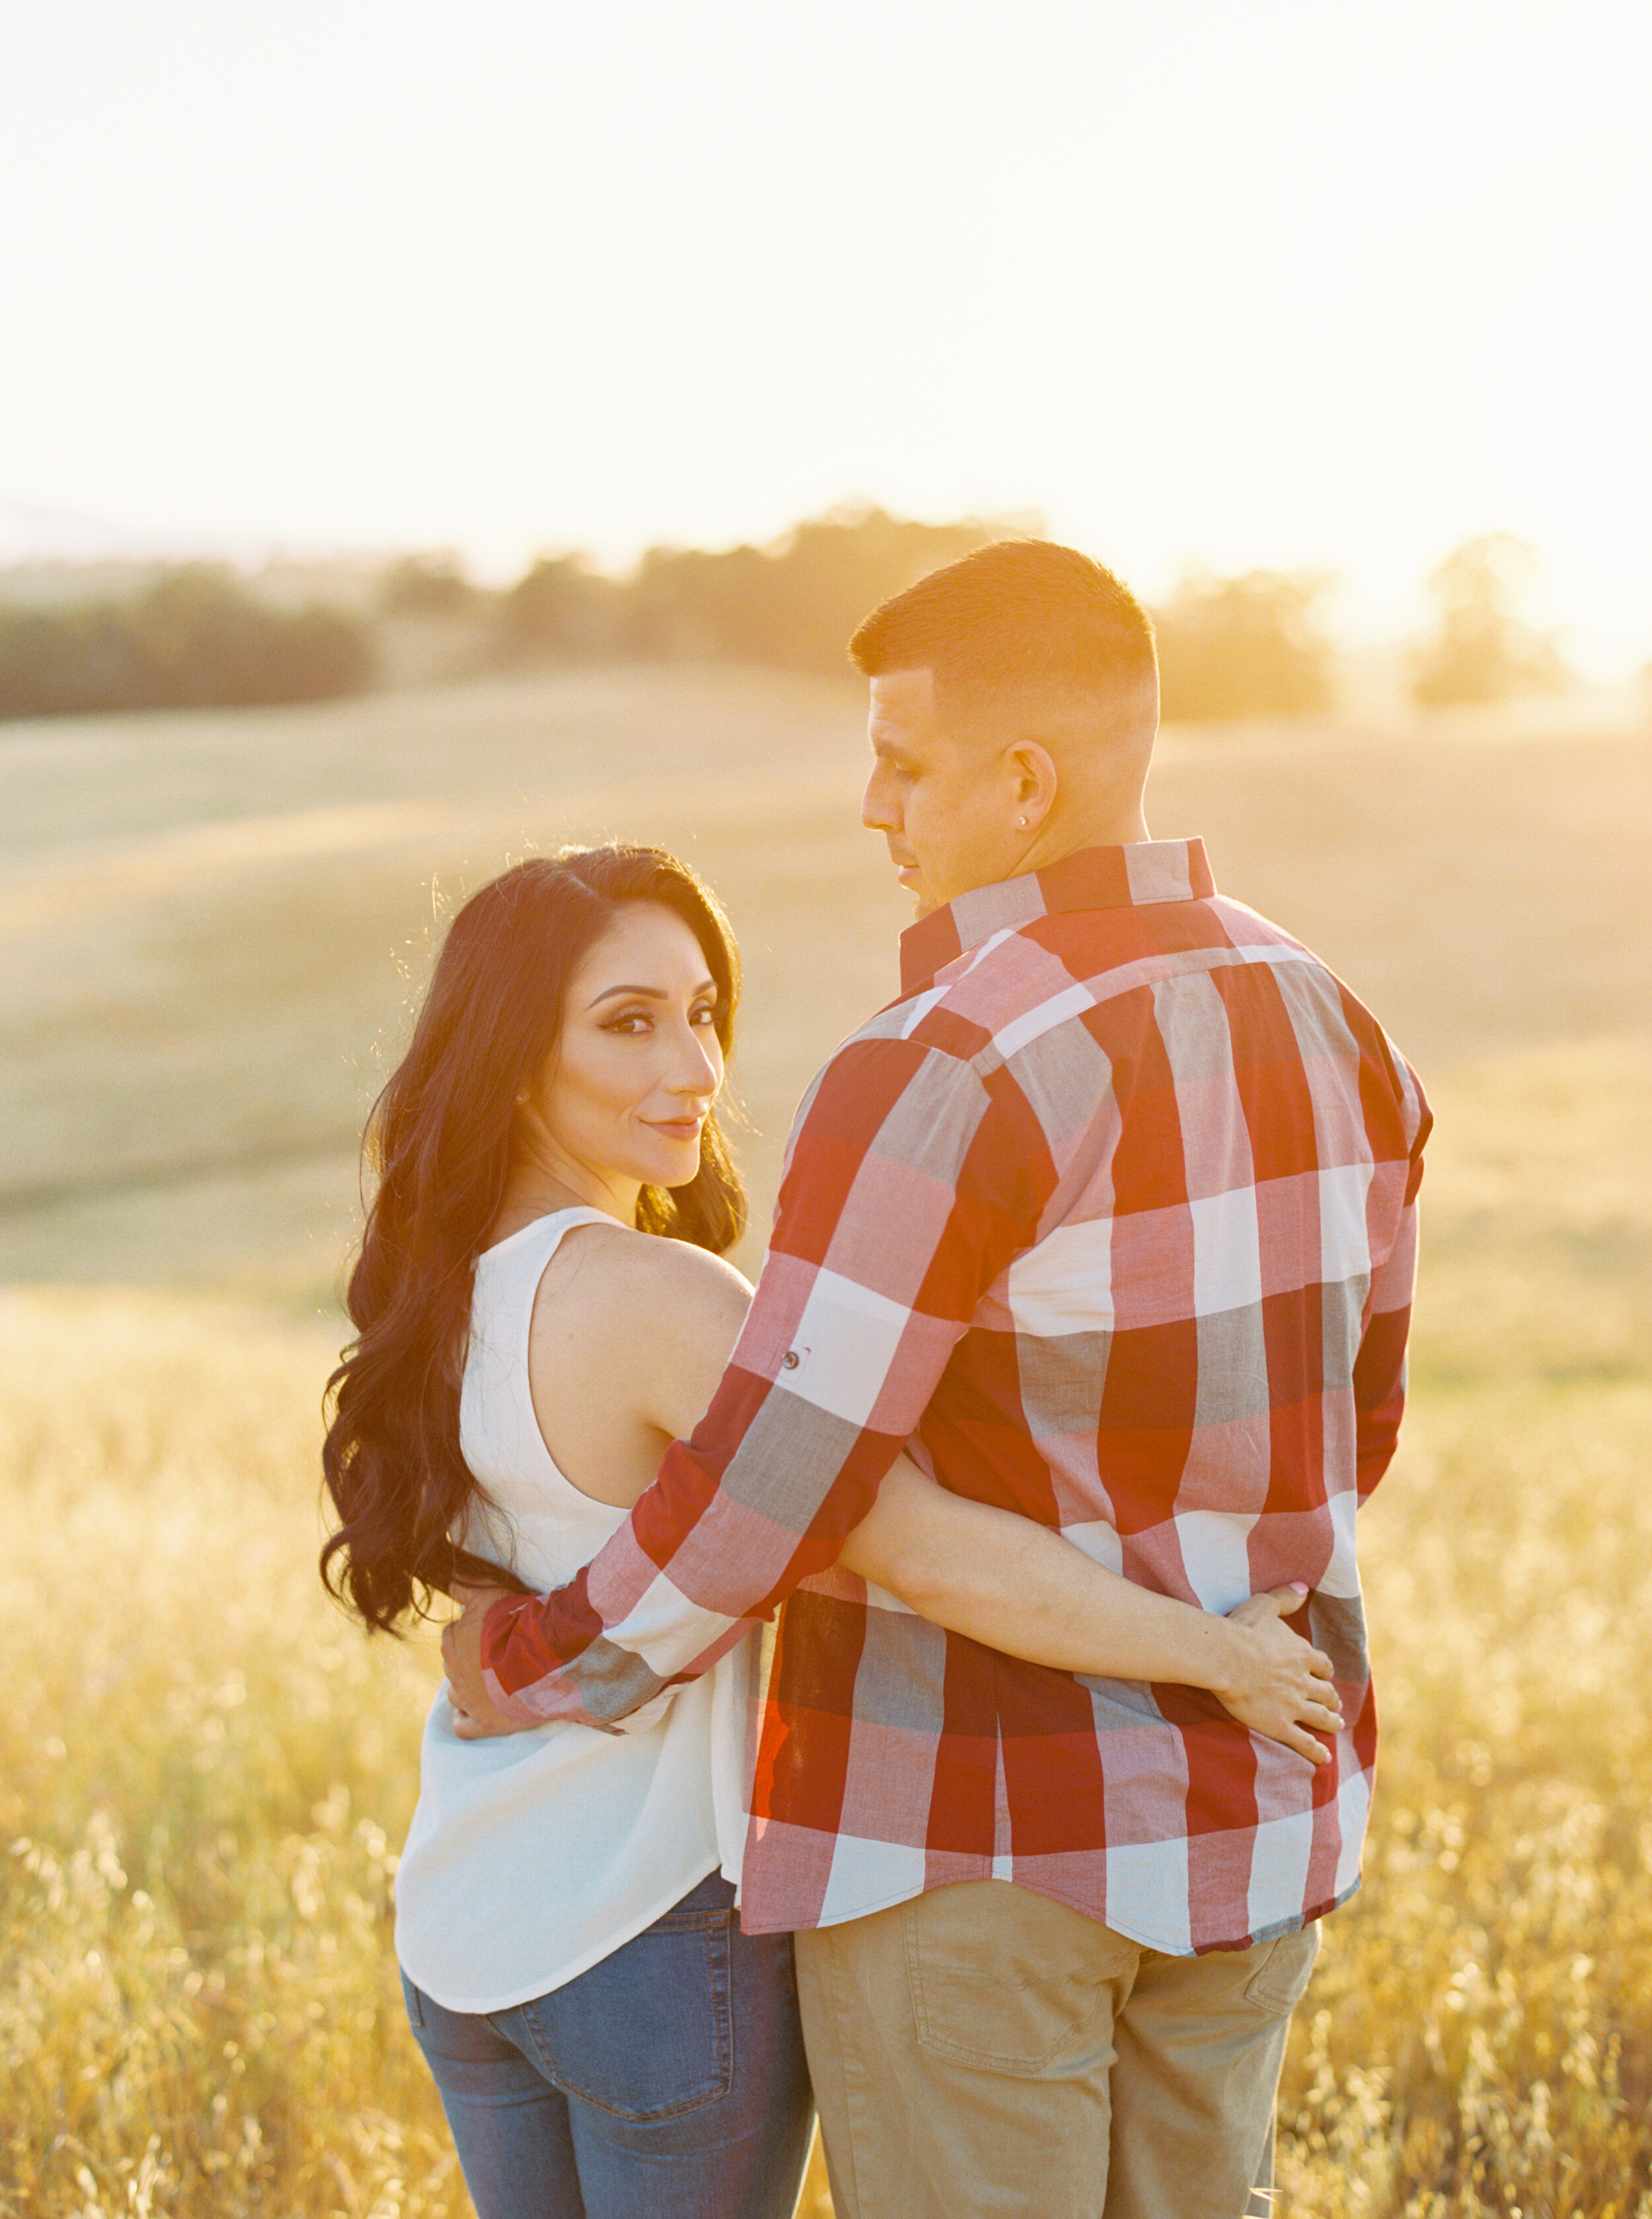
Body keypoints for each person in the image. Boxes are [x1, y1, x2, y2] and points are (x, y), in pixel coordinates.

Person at [445, 541, 1433, 2218]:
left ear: (1020, 781)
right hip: (1258, 1817)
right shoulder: (1335, 1020)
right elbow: (1362, 1423)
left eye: (899, 761)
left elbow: (777, 1481)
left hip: (977, 1846)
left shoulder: (949, 1059)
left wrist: (542, 1661)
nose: (870, 805)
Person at [321, 840, 1341, 2219]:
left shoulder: (434, 1298)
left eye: (701, 1012)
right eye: (628, 1022)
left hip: (466, 1922)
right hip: (648, 1930)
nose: (690, 1065)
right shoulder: (660, 1302)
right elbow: (919, 1545)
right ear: (513, 1056)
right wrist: (1218, 1654)